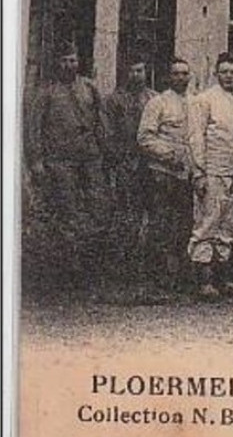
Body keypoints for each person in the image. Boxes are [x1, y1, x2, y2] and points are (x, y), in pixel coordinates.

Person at [24, 42, 111, 293]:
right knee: (68, 211)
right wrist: (37, 161)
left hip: (90, 159)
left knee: (97, 209)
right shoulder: (46, 92)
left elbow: (100, 123)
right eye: (64, 61)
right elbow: (33, 129)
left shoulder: (89, 88)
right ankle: (68, 272)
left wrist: (105, 155)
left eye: (72, 60)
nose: (69, 65)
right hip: (60, 161)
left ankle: (92, 269)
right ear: (57, 64)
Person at [186, 54, 233, 299]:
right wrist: (199, 173)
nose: (230, 76)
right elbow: (196, 138)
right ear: (216, 74)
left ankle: (223, 278)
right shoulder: (203, 100)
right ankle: (204, 281)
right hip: (213, 172)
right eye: (225, 71)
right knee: (207, 224)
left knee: (229, 227)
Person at [136, 59, 196, 293]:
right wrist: (169, 155)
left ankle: (180, 276)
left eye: (184, 73)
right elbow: (145, 138)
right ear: (169, 77)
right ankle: (156, 278)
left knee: (184, 225)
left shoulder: (196, 103)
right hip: (162, 173)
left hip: (186, 175)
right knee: (160, 225)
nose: (181, 78)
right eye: (176, 74)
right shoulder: (157, 103)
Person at [102, 61, 157, 295]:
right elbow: (107, 132)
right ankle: (121, 268)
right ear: (125, 73)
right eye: (132, 70)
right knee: (127, 214)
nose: (136, 75)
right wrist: (118, 159)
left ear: (146, 73)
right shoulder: (115, 100)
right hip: (126, 163)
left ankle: (147, 266)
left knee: (152, 214)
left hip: (151, 164)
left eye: (140, 70)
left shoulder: (154, 99)